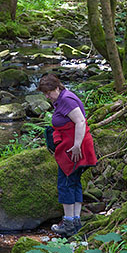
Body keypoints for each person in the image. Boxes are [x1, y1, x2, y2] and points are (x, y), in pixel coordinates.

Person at [38, 74, 97, 237]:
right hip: (73, 147)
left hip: (73, 148)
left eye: (49, 92)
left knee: (65, 183)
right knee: (74, 181)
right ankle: (76, 221)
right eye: (45, 93)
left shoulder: (66, 100)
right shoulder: (63, 98)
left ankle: (69, 223)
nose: (47, 96)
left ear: (57, 88)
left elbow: (80, 121)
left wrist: (77, 145)